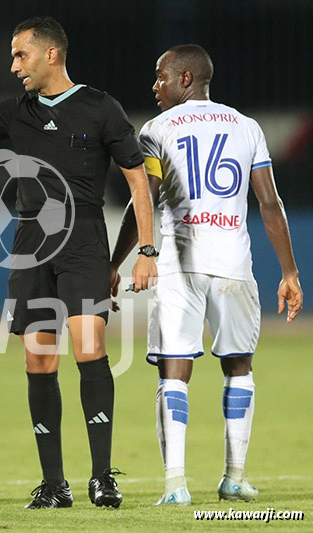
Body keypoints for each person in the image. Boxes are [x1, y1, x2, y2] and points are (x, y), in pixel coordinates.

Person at [0, 16, 157, 508]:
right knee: (38, 358)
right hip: (31, 243)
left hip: (83, 240)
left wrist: (145, 250)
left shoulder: (100, 107)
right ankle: (54, 484)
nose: (13, 65)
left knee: (88, 346)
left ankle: (102, 477)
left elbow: (138, 181)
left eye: (20, 55)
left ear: (51, 54)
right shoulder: (17, 112)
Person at [110, 44, 303, 505]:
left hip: (179, 263)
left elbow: (144, 201)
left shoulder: (156, 129)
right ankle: (234, 477)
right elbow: (270, 203)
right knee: (239, 365)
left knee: (174, 371)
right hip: (233, 264)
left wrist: (114, 262)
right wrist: (290, 271)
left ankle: (176, 485)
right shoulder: (246, 127)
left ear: (186, 78)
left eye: (160, 77)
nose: (154, 86)